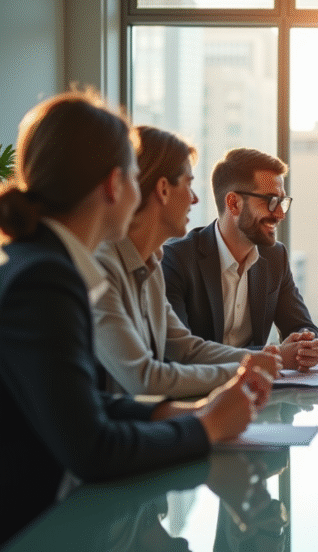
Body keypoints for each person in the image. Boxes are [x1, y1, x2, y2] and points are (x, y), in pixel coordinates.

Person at [0, 91, 277, 547]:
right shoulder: (45, 280)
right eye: (133, 175)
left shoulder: (40, 264)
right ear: (113, 186)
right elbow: (93, 449)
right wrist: (206, 426)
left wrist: (176, 411)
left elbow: (83, 403)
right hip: (29, 539)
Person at [94, 126, 281, 398]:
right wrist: (242, 372)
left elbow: (185, 348)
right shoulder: (103, 268)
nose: (195, 199)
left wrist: (251, 359)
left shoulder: (151, 264)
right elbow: (145, 378)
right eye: (189, 184)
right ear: (163, 189)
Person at [161, 148, 318, 372]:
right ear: (234, 203)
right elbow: (179, 354)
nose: (280, 214)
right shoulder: (176, 260)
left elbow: (301, 325)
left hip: (258, 395)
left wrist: (308, 344)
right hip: (198, 397)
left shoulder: (276, 257)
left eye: (283, 202)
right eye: (271, 201)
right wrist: (272, 358)